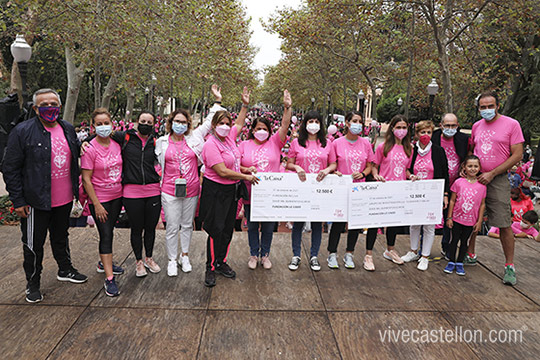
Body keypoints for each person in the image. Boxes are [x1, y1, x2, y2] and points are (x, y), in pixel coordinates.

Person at [2, 88, 88, 303]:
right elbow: (10, 168)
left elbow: (75, 150)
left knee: (61, 237)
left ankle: (65, 269)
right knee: (33, 244)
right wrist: (18, 200)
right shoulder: (23, 132)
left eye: (53, 104)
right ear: (35, 108)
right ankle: (32, 283)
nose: (50, 108)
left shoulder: (67, 128)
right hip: (35, 201)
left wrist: (84, 144)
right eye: (45, 105)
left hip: (64, 198)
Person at [156, 85, 219, 277]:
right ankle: (172, 260)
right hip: (169, 190)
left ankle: (185, 256)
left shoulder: (195, 138)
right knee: (172, 226)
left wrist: (217, 101)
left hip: (191, 189)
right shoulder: (161, 142)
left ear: (188, 124)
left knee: (186, 224)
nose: (180, 125)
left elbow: (209, 123)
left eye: (184, 122)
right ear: (170, 122)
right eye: (177, 121)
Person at [200, 87, 258, 287]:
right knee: (215, 230)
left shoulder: (231, 138)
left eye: (227, 124)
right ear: (214, 125)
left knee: (227, 229)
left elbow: (240, 123)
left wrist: (244, 104)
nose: (225, 127)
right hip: (216, 190)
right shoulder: (210, 144)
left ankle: (222, 262)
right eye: (221, 124)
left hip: (232, 191)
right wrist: (245, 175)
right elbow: (222, 171)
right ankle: (210, 267)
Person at [468, 90, 524, 285]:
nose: (487, 110)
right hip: (475, 178)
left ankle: (509, 265)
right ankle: (470, 253)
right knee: (471, 218)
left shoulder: (512, 124)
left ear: (498, 106)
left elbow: (517, 155)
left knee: (503, 222)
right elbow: (472, 151)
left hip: (498, 178)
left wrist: (492, 173)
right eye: (483, 107)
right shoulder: (476, 126)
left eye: (490, 106)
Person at [239, 90, 291, 270]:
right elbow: (235, 165)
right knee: (252, 226)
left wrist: (287, 108)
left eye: (264, 129)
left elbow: (285, 125)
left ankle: (265, 255)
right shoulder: (244, 145)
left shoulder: (276, 142)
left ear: (269, 131)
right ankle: (253, 254)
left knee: (268, 227)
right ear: (252, 130)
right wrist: (247, 170)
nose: (261, 131)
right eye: (258, 129)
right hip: (250, 194)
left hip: (271, 195)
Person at [286, 110, 336, 271]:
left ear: (321, 124)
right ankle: (296, 255)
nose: (313, 124)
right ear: (304, 124)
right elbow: (289, 163)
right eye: (310, 121)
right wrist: (297, 167)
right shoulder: (296, 143)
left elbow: (334, 164)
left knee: (317, 223)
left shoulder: (327, 143)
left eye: (316, 121)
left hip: (320, 189)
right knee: (298, 223)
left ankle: (314, 256)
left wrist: (327, 170)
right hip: (301, 189)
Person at [81, 108, 123, 297]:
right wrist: (96, 204)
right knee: (105, 235)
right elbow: (86, 179)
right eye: (99, 124)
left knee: (109, 232)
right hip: (100, 199)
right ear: (93, 126)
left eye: (106, 123)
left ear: (112, 125)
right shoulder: (89, 149)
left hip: (117, 197)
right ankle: (109, 278)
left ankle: (103, 262)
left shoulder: (116, 144)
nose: (103, 126)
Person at [327, 111, 373, 270]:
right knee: (338, 222)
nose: (358, 124)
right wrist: (335, 172)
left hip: (358, 189)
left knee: (355, 223)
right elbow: (332, 164)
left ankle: (349, 253)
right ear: (347, 123)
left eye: (360, 121)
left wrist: (363, 173)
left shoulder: (366, 143)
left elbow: (370, 165)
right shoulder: (336, 143)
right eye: (354, 121)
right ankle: (332, 253)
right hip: (341, 188)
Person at [401, 121, 449, 271]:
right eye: (422, 132)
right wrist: (411, 176)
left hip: (432, 193)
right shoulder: (411, 150)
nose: (425, 135)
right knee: (414, 223)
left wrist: (445, 194)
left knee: (429, 225)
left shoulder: (438, 151)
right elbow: (406, 169)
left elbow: (445, 174)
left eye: (428, 132)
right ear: (416, 134)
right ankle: (414, 251)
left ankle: (425, 256)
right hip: (415, 192)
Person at [367, 115, 413, 267]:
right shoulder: (383, 147)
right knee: (375, 222)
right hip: (383, 189)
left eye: (404, 128)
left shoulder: (409, 149)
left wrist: (411, 176)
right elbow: (374, 165)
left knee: (394, 222)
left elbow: (405, 170)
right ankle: (368, 255)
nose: (401, 131)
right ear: (392, 128)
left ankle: (390, 250)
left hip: (399, 190)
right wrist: (376, 175)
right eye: (398, 127)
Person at [432, 113, 469, 254]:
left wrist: (465, 167)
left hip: (457, 185)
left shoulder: (463, 139)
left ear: (458, 126)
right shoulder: (434, 137)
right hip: (437, 183)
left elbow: (468, 155)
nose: (450, 128)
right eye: (447, 125)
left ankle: (447, 247)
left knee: (450, 217)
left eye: (453, 125)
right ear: (441, 125)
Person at [445, 155, 486, 276]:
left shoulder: (482, 186)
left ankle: (460, 263)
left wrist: (479, 222)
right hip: (457, 219)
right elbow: (452, 200)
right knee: (454, 240)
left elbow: (482, 205)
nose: (472, 169)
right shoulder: (458, 182)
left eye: (475, 166)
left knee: (464, 242)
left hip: (470, 221)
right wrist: (449, 217)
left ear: (479, 168)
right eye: (470, 166)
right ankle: (451, 261)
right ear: (464, 167)